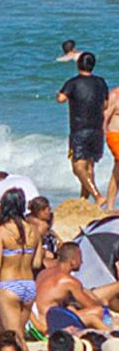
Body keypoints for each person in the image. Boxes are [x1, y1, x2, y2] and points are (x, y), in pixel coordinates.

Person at [0, 187, 43, 343]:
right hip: (29, 285)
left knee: (14, 339)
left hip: (9, 285)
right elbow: (36, 263)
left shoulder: (1, 231)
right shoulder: (34, 230)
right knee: (19, 334)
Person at [58, 52, 109, 205]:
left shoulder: (73, 83)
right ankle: (83, 201)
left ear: (78, 64)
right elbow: (105, 104)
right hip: (97, 129)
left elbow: (61, 99)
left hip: (79, 129)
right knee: (89, 166)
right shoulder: (101, 82)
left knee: (78, 167)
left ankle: (97, 195)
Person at [34, 243, 119, 333]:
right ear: (72, 261)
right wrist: (103, 302)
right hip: (50, 323)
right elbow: (91, 305)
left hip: (39, 319)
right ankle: (112, 334)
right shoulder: (69, 281)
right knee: (99, 311)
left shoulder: (44, 273)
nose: (82, 262)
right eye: (80, 258)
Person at [104, 81, 119, 211]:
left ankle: (110, 206)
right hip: (115, 136)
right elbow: (104, 117)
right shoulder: (114, 95)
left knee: (117, 171)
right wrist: (102, 135)